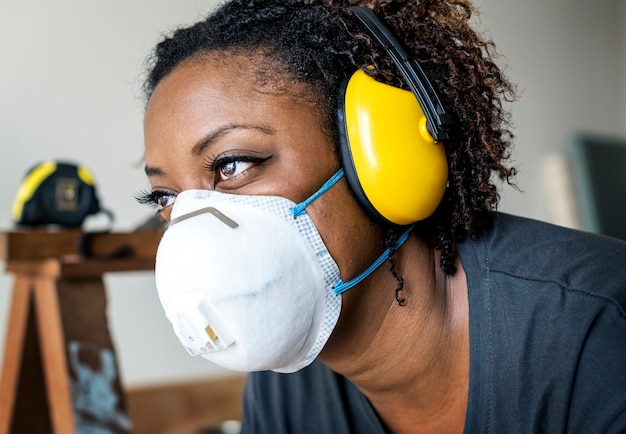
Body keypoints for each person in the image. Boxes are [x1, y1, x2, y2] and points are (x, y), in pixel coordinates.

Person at [137, 0, 626, 432]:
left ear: (378, 158)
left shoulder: (594, 326)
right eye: (165, 196)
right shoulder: (283, 386)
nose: (190, 222)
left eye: (232, 165)